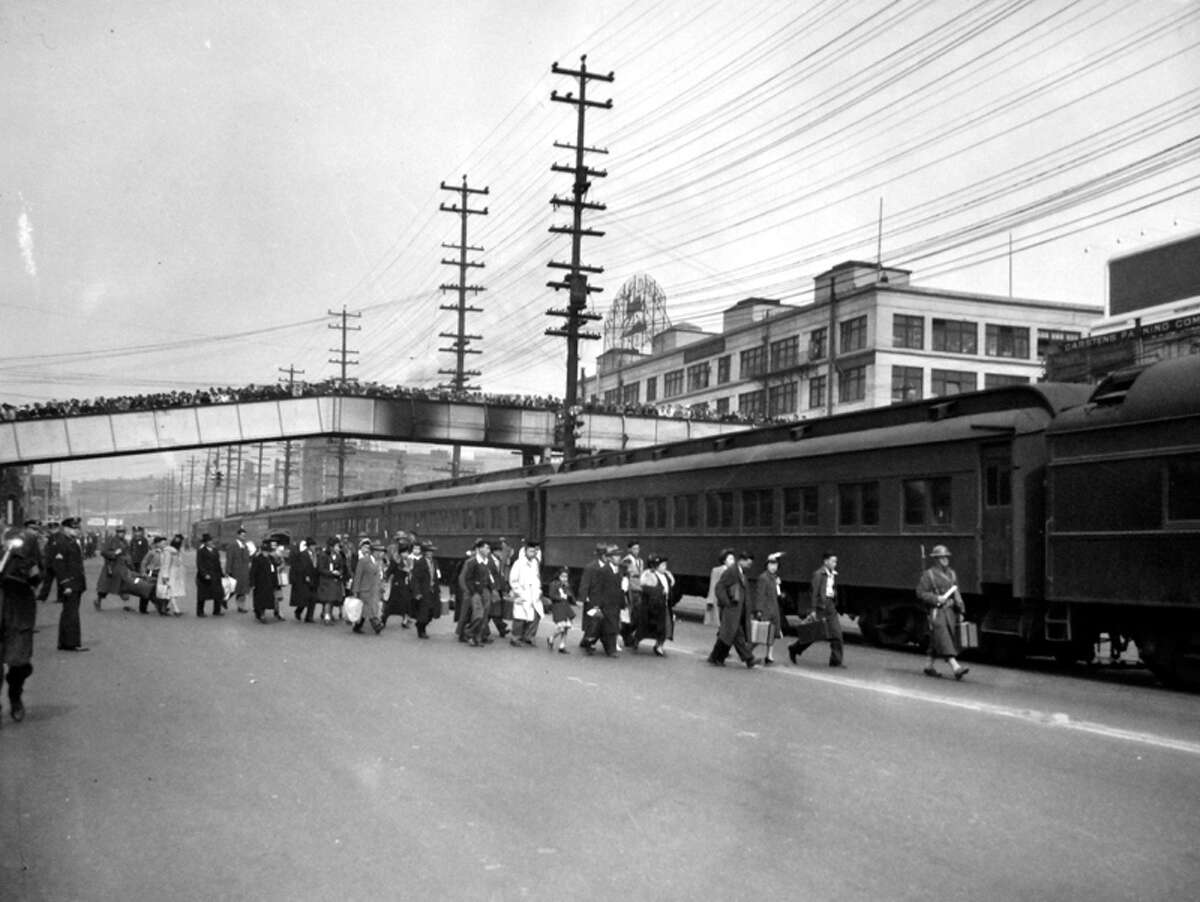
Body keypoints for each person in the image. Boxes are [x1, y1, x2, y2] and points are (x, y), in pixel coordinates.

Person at [1, 525, 43, 722]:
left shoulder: (28, 552)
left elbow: (37, 577)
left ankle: (15, 695)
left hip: (19, 611)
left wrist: (27, 569)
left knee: (20, 664)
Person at [916, 545, 969, 680]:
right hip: (936, 611)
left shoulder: (952, 574)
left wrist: (961, 609)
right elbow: (921, 593)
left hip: (950, 611)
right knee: (943, 637)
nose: (945, 559)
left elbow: (956, 593)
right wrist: (935, 598)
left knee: (937, 639)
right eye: (941, 557)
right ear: (936, 559)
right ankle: (955, 667)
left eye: (946, 557)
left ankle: (929, 666)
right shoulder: (929, 575)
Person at [788, 551, 845, 668]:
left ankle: (835, 661)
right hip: (821, 607)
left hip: (830, 606)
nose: (835, 563)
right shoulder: (818, 574)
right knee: (813, 633)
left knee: (837, 633)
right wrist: (813, 609)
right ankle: (794, 649)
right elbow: (814, 593)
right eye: (833, 561)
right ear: (826, 561)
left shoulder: (833, 574)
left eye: (836, 561)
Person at [42, 516, 89, 650]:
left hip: (75, 582)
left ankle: (64, 642)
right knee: (71, 613)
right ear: (66, 528)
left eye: (77, 528)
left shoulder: (71, 541)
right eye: (74, 528)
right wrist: (66, 584)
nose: (77, 530)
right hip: (70, 583)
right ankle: (71, 643)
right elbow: (59, 565)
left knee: (68, 612)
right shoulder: (62, 542)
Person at [708, 550, 760, 668]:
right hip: (731, 610)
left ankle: (715, 657)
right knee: (734, 635)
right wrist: (726, 602)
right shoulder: (732, 571)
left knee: (729, 635)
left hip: (737, 611)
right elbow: (719, 587)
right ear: (742, 561)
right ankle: (749, 659)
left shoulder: (740, 572)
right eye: (748, 563)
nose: (749, 566)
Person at [579, 544, 626, 657]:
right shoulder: (603, 570)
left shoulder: (618, 570)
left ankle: (609, 649)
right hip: (604, 603)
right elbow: (597, 588)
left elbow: (620, 589)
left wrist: (622, 602)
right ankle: (591, 644)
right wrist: (595, 604)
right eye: (615, 556)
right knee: (598, 626)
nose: (618, 558)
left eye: (619, 556)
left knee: (611, 626)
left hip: (614, 603)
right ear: (609, 558)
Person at [633, 553, 675, 656]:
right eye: (662, 565)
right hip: (650, 607)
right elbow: (646, 590)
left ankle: (659, 645)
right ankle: (637, 639)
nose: (665, 567)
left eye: (665, 565)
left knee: (665, 627)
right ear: (655, 566)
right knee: (645, 626)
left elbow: (670, 589)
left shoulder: (667, 576)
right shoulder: (649, 576)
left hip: (663, 607)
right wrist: (660, 591)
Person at [461, 539, 498, 647]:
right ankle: (469, 632)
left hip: (486, 590)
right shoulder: (472, 562)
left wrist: (492, 588)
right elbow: (468, 578)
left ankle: (477, 638)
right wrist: (473, 591)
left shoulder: (489, 562)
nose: (488, 550)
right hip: (476, 591)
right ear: (480, 549)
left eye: (489, 548)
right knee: (478, 615)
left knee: (485, 616)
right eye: (486, 548)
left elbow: (492, 576)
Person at [750, 552, 784, 665]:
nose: (773, 567)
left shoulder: (775, 578)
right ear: (767, 565)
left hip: (774, 609)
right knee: (761, 634)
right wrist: (759, 610)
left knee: (772, 633)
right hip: (766, 609)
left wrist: (780, 591)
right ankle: (746, 651)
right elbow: (759, 595)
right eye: (771, 565)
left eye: (775, 565)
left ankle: (769, 656)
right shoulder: (763, 578)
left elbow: (777, 595)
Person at [508, 540, 544, 647]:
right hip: (523, 593)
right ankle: (515, 637)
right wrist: (519, 591)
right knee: (520, 617)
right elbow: (513, 579)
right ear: (525, 552)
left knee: (536, 615)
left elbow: (537, 578)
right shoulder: (518, 563)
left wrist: (538, 590)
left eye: (534, 552)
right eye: (530, 551)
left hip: (534, 594)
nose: (532, 554)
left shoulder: (535, 564)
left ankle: (529, 636)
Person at [350, 540, 386, 634]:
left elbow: (380, 577)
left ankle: (358, 626)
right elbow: (358, 576)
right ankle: (376, 625)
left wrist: (381, 588)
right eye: (380, 552)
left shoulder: (380, 563)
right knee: (369, 609)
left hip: (375, 590)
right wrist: (355, 590)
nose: (382, 554)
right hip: (365, 590)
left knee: (367, 610)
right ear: (374, 552)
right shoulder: (364, 561)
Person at [95, 525, 131, 610]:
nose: (121, 534)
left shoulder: (125, 542)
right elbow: (103, 552)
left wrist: (129, 561)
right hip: (111, 566)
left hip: (122, 566)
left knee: (123, 582)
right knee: (105, 586)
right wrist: (114, 553)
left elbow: (127, 553)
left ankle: (123, 594)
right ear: (117, 532)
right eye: (119, 532)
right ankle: (98, 600)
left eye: (122, 532)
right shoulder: (111, 540)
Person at [410, 543, 441, 639]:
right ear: (425, 553)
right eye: (429, 551)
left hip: (433, 590)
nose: (430, 553)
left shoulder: (434, 562)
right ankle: (421, 630)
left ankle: (420, 624)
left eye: (432, 552)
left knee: (432, 611)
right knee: (424, 611)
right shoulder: (420, 563)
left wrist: (438, 589)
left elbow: (437, 576)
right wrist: (417, 592)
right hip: (424, 591)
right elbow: (415, 579)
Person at [250, 538, 282, 623]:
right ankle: (261, 614)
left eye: (267, 551)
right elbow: (253, 572)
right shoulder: (257, 559)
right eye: (265, 551)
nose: (266, 553)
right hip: (260, 583)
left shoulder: (270, 558)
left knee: (268, 599)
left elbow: (274, 569)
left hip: (270, 582)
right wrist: (252, 583)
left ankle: (262, 613)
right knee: (260, 600)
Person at [383, 541, 414, 628]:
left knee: (406, 603)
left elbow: (411, 573)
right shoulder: (395, 561)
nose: (406, 554)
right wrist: (385, 580)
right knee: (391, 604)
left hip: (406, 585)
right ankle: (384, 618)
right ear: (401, 553)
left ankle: (405, 620)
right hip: (397, 585)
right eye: (405, 552)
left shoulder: (408, 561)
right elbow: (389, 571)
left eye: (408, 552)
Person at [620, 540, 645, 649]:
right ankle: (626, 635)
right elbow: (623, 575)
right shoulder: (627, 560)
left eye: (638, 548)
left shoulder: (640, 561)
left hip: (639, 588)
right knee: (630, 613)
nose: (637, 551)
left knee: (637, 613)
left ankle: (628, 634)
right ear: (629, 549)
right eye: (634, 548)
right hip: (630, 588)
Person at [316, 537, 345, 625]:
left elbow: (341, 567)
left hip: (335, 581)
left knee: (333, 599)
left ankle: (329, 614)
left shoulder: (339, 556)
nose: (338, 547)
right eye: (336, 546)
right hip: (326, 581)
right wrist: (332, 572)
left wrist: (340, 572)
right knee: (328, 599)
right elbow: (320, 569)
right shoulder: (323, 555)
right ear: (331, 546)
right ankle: (327, 617)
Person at [194, 532, 224, 617]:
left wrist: (221, 573)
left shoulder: (215, 550)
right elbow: (199, 564)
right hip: (205, 577)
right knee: (202, 595)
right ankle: (200, 612)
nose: (211, 542)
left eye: (211, 541)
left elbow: (218, 563)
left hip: (216, 575)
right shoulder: (201, 551)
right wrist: (204, 574)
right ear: (205, 543)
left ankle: (216, 611)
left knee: (218, 593)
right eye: (209, 541)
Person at [546, 568, 575, 654]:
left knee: (566, 627)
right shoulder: (553, 584)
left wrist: (571, 597)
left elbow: (571, 595)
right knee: (561, 627)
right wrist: (560, 597)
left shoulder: (566, 585)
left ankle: (562, 645)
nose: (564, 578)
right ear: (558, 576)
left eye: (566, 576)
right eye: (562, 576)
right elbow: (551, 595)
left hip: (565, 607)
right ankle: (551, 637)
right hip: (558, 607)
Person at [289, 538, 318, 622]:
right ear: (308, 546)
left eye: (314, 546)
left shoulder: (315, 555)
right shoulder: (303, 554)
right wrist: (306, 575)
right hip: (305, 579)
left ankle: (309, 617)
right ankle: (298, 611)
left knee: (313, 598)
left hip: (313, 578)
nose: (314, 547)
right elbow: (301, 567)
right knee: (305, 598)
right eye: (312, 546)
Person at [705, 549, 735, 627]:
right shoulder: (716, 570)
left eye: (733, 559)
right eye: (730, 559)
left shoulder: (734, 572)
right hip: (718, 598)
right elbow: (713, 585)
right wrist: (710, 600)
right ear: (724, 560)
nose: (733, 561)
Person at [138, 535, 168, 615]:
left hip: (161, 574)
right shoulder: (152, 552)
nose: (165, 545)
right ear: (157, 544)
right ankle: (143, 608)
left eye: (165, 543)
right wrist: (143, 572)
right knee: (147, 591)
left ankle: (162, 608)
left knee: (161, 591)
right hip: (151, 573)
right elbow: (144, 562)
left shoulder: (166, 553)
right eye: (163, 543)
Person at [159, 534, 187, 616]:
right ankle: (176, 610)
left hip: (175, 574)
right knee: (172, 592)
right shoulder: (169, 552)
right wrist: (165, 575)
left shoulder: (175, 551)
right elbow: (166, 564)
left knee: (170, 592)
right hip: (170, 574)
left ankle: (163, 608)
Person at [226, 527, 252, 614]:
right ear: (238, 536)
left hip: (244, 571)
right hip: (236, 571)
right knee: (234, 589)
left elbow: (248, 557)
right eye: (242, 535)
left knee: (242, 590)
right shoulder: (232, 545)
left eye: (245, 535)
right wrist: (227, 571)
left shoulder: (245, 545)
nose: (244, 537)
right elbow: (229, 559)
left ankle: (241, 607)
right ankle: (223, 600)